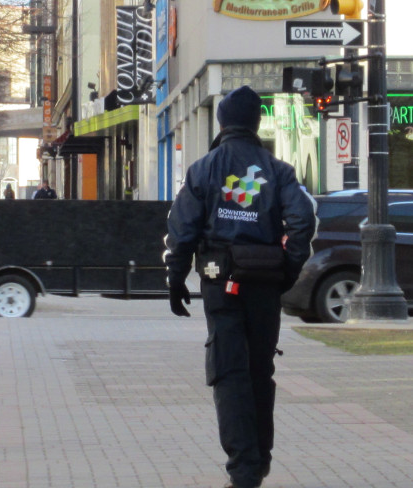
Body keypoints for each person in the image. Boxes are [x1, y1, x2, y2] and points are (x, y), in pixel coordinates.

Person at [164, 86, 316, 488]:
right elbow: (303, 220)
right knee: (259, 370)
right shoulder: (278, 171)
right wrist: (287, 269)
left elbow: (182, 229)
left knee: (229, 372)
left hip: (220, 280)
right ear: (257, 123)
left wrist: (176, 277)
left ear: (221, 122)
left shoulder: (205, 168)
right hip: (264, 284)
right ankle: (259, 458)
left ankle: (244, 469)